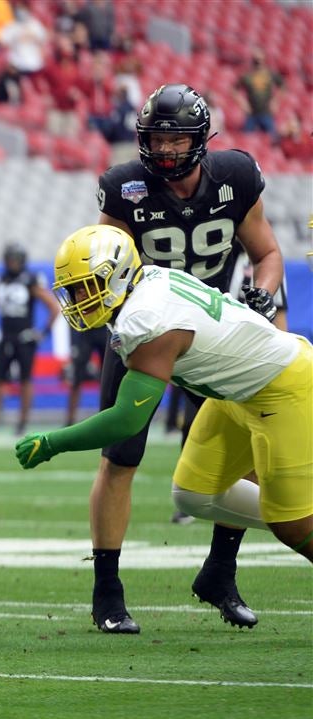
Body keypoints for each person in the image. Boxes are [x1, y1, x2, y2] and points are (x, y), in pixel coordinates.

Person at [86, 84, 286, 633]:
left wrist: (264, 294)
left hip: (214, 338)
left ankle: (221, 569)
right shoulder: (123, 188)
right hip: (149, 337)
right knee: (121, 457)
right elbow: (104, 267)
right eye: (157, 138)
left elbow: (267, 253)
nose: (167, 150)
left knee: (243, 455)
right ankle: (108, 589)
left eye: (177, 139)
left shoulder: (236, 177)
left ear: (200, 141)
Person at [16, 225, 311, 563]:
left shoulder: (145, 319)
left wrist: (54, 443)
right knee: (193, 495)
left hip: (283, 387)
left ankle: (293, 515)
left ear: (117, 275)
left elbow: (127, 420)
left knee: (292, 525)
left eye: (86, 287)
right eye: (74, 291)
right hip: (239, 393)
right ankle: (292, 511)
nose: (80, 300)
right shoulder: (149, 280)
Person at [0, 243, 59, 436]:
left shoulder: (30, 280)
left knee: (25, 380)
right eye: (10, 259)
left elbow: (53, 306)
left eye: (16, 259)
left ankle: (22, 422)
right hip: (5, 337)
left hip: (24, 338)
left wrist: (43, 332)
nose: (13, 263)